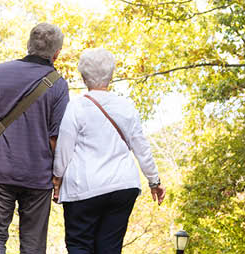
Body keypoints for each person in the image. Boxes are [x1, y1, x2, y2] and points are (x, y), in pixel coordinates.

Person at [0, 23, 70, 254]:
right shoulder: (59, 85)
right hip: (38, 175)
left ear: (28, 46)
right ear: (57, 53)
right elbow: (56, 138)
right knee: (33, 245)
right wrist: (57, 176)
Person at [51, 48, 165, 254]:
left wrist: (57, 179)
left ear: (83, 76)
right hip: (122, 186)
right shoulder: (126, 106)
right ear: (111, 75)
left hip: (84, 188)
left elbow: (64, 148)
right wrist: (154, 181)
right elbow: (142, 148)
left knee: (79, 245)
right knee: (110, 248)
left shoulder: (76, 107)